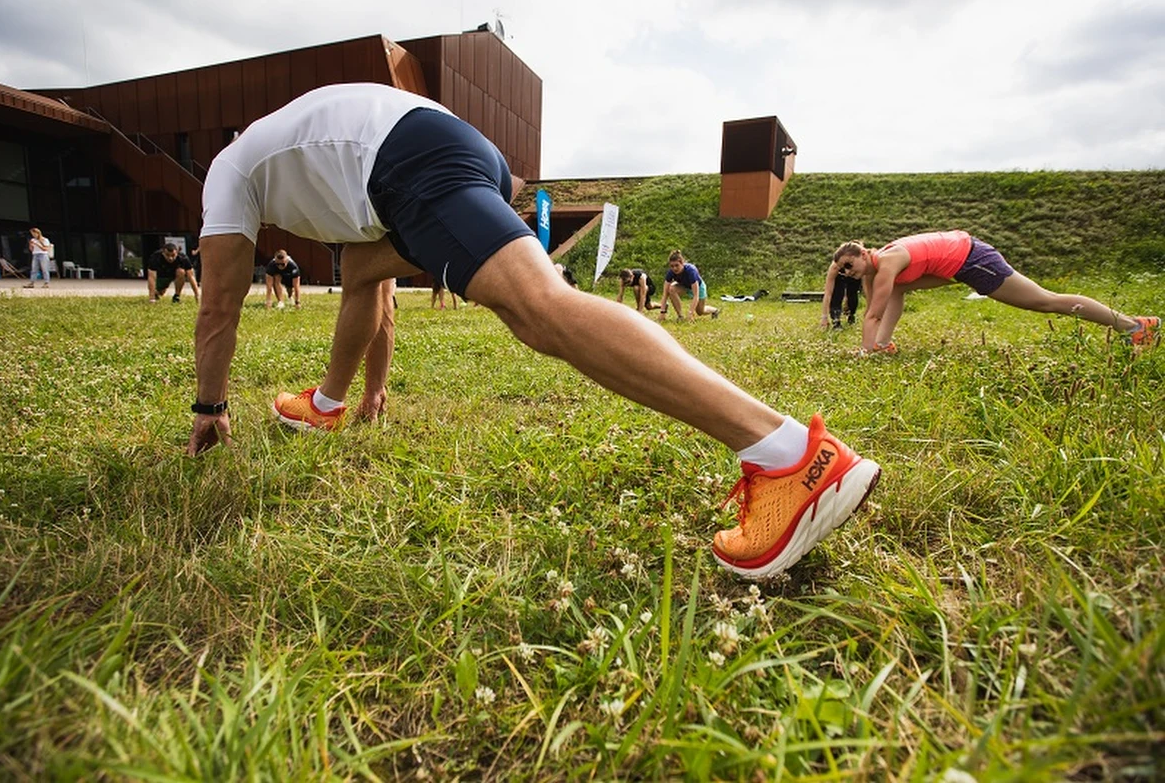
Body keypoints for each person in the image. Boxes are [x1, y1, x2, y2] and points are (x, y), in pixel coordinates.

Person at [186, 83, 880, 580]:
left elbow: (218, 303)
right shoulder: (293, 146)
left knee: (539, 308)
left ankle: (788, 455)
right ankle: (329, 405)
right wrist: (374, 390)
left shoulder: (228, 170)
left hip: (410, 158)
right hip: (450, 147)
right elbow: (378, 292)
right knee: (364, 269)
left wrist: (211, 405)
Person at [833, 231, 1159, 352]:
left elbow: (873, 314)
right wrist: (878, 344)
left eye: (849, 264)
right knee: (897, 290)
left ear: (863, 253)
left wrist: (865, 352)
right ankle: (884, 346)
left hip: (974, 260)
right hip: (962, 261)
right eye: (843, 270)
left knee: (1045, 301)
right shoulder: (880, 267)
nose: (848, 272)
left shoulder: (887, 262)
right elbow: (887, 301)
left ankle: (1135, 326)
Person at [660, 251, 718, 321]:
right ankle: (680, 316)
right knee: (671, 289)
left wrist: (691, 313)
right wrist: (662, 312)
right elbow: (665, 294)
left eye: (677, 265)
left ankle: (714, 310)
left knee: (700, 311)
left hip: (698, 288)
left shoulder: (691, 271)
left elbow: (696, 295)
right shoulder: (671, 272)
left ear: (682, 263)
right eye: (672, 266)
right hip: (684, 286)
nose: (674, 268)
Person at [820, 261, 862, 330]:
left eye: (851, 272)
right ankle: (836, 320)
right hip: (839, 276)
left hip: (855, 278)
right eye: (847, 271)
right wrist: (824, 317)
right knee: (836, 295)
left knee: (852, 296)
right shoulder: (835, 267)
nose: (848, 273)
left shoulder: (860, 265)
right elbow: (828, 293)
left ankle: (851, 314)